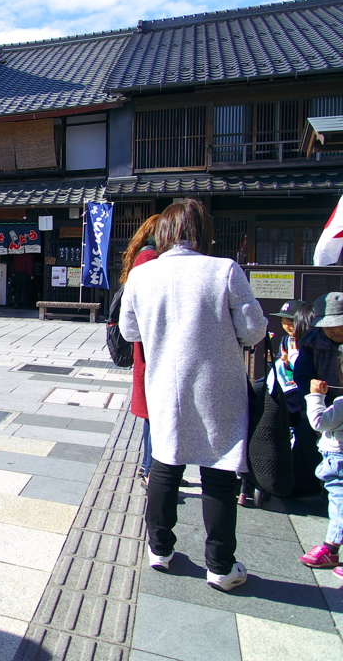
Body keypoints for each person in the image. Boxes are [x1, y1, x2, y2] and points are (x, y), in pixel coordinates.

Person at [120, 199, 266, 592]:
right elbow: (253, 331)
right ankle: (220, 565)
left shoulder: (142, 275)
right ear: (203, 231)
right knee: (218, 474)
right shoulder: (223, 271)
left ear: (165, 232)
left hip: (166, 384)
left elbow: (130, 331)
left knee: (165, 465)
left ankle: (160, 549)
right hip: (216, 386)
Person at [119, 214, 161, 485]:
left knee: (156, 413)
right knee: (155, 414)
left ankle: (152, 466)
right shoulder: (149, 260)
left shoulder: (146, 256)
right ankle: (149, 467)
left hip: (149, 349)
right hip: (150, 349)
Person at [269, 301, 321, 498]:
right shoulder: (286, 342)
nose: (288, 326)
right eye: (284, 322)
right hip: (290, 395)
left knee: (305, 434)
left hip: (305, 398)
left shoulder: (311, 342)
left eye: (291, 322)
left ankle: (304, 483)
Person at [302, 370, 343, 575]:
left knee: (340, 505)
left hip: (338, 460)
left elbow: (319, 422)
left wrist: (316, 396)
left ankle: (330, 548)